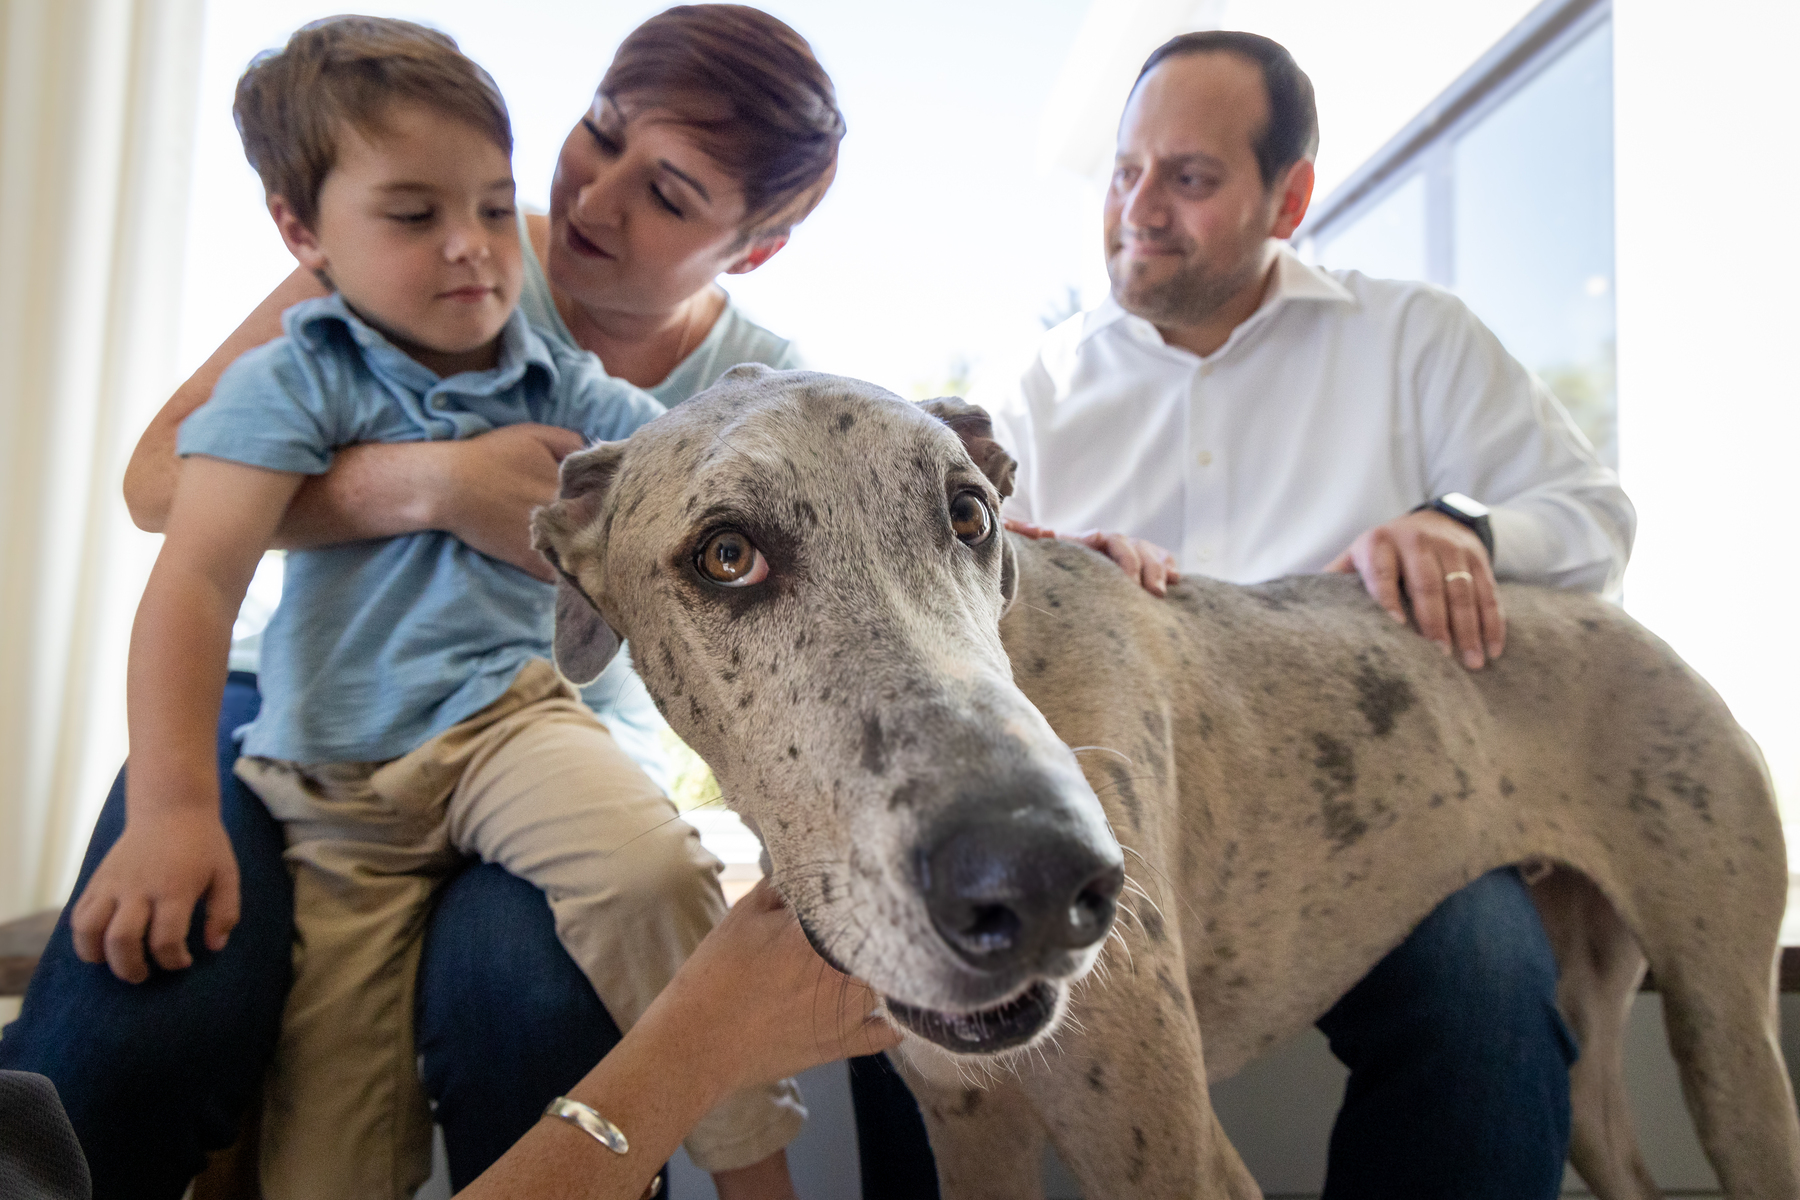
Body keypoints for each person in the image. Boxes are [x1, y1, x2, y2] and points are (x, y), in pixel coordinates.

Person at [0, 6, 846, 1199]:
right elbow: (162, 490)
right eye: (596, 136)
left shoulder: (707, 379)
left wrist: (994, 523)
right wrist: (435, 483)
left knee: (529, 1001)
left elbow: (827, 520)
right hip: (310, 723)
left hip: (536, 730)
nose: (589, 204)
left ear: (750, 248)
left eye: (668, 192)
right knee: (152, 1006)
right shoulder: (409, 251)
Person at [975, 30, 1629, 1200]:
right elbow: (959, 608)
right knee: (896, 979)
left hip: (1384, 816)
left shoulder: (1415, 340)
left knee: (1485, 984)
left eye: (1189, 177)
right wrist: (1035, 562)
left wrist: (1464, 527)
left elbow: (1593, 518)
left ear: (1292, 195)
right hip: (1131, 818)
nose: (1138, 207)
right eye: (1126, 172)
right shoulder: (1032, 394)